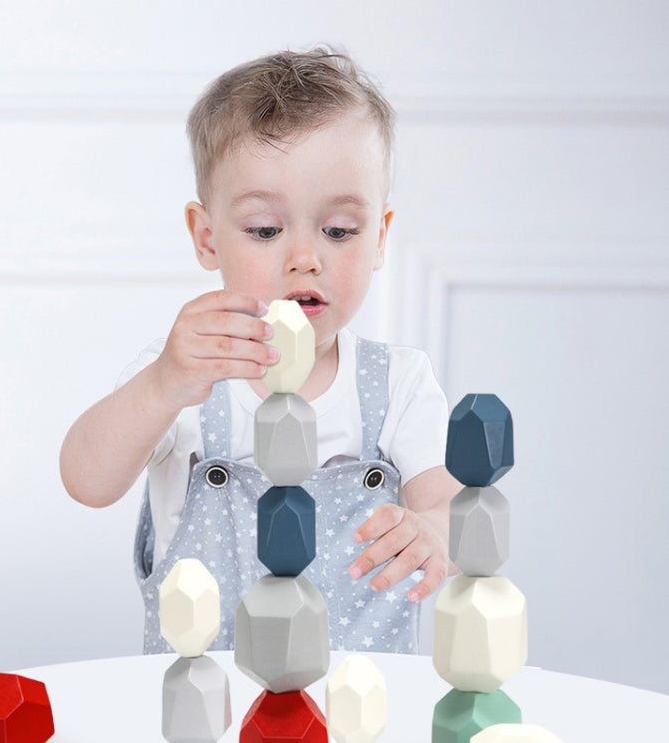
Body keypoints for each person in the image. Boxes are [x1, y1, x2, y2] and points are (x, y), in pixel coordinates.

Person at [60, 46, 460, 654]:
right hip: (204, 707)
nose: (305, 256)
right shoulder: (181, 376)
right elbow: (86, 480)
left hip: (358, 708)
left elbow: (453, 507)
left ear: (379, 237)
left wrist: (433, 531)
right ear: (206, 237)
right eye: (266, 231)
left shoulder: (397, 384)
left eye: (339, 231)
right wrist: (164, 383)